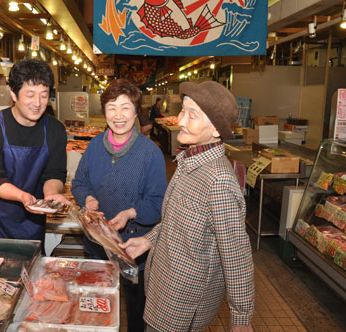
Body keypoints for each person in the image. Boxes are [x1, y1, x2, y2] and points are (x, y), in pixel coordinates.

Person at [120, 81, 254, 332]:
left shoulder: (218, 181)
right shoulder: (189, 161)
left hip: (183, 300)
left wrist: (241, 319)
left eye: (192, 115)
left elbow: (236, 257)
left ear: (215, 129)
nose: (180, 120)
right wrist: (149, 239)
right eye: (183, 110)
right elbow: (178, 222)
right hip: (163, 284)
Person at [71, 79, 167, 332]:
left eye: (125, 108)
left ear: (136, 112)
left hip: (132, 247)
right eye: (112, 107)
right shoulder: (94, 146)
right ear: (104, 112)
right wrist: (88, 199)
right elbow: (79, 182)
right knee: (97, 303)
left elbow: (158, 203)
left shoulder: (150, 153)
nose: (119, 115)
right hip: (97, 244)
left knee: (136, 308)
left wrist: (130, 212)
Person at [0, 59, 69, 241]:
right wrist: (23, 197)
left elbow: (54, 173)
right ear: (13, 94)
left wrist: (51, 194)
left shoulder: (55, 130)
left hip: (32, 220)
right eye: (30, 95)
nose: (38, 103)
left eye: (44, 95)